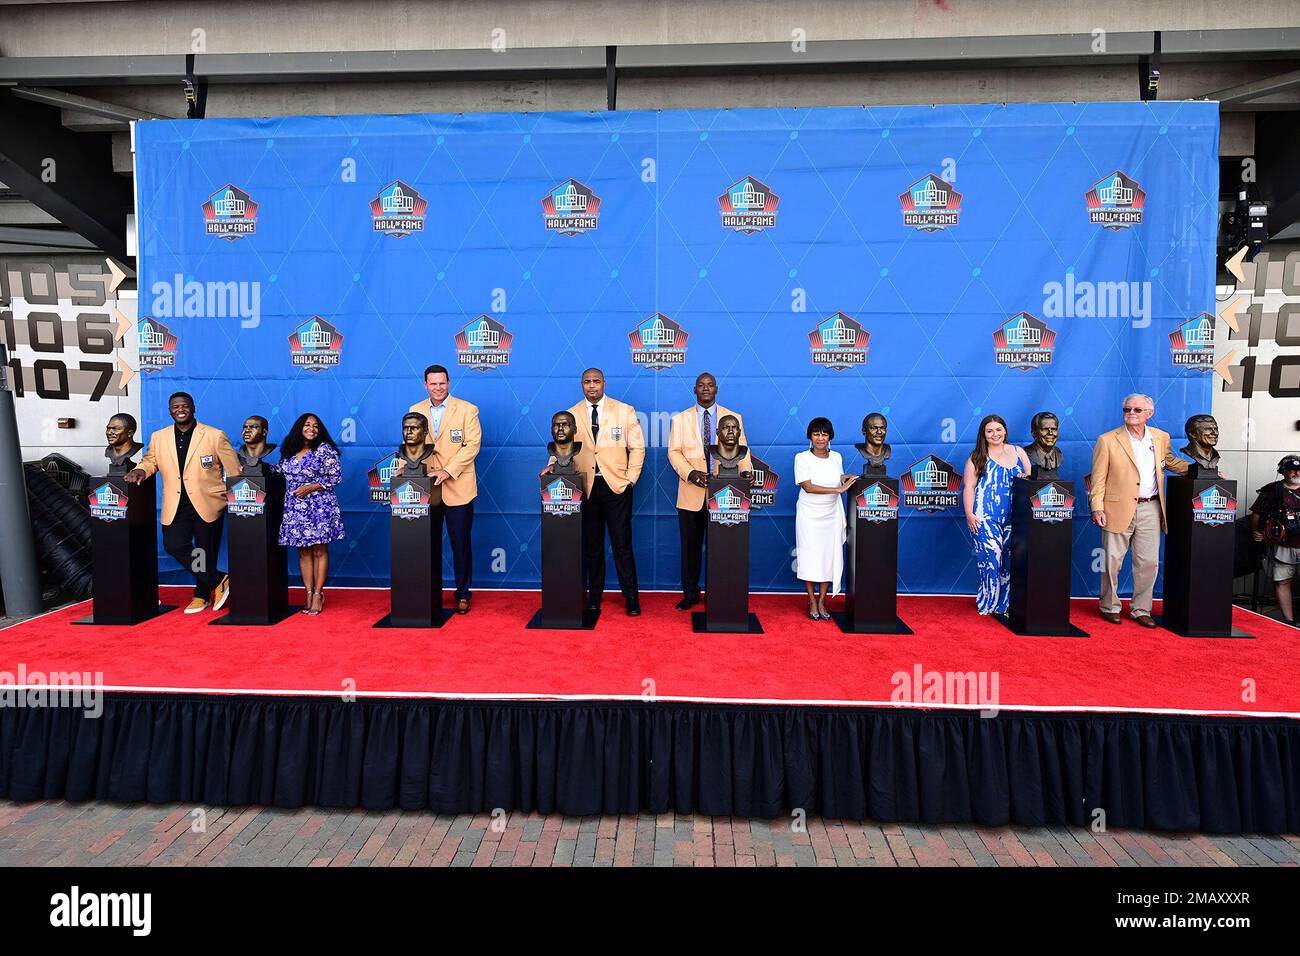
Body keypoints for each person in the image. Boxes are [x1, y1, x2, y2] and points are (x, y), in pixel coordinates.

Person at [124, 392, 240, 613]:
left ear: (193, 408)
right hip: (176, 503)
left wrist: (231, 499)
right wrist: (140, 469)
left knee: (205, 551)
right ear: (169, 410)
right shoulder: (159, 437)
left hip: (208, 502)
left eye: (184, 405)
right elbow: (151, 461)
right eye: (175, 406)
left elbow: (234, 470)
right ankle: (219, 579)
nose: (180, 409)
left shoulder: (214, 435)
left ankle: (201, 595)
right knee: (174, 544)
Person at [1089, 393, 1189, 627]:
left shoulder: (1160, 437)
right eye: (1127, 410)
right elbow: (1098, 478)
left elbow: (1169, 461)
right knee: (1112, 560)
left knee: (1149, 562)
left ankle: (1141, 609)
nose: (1130, 413)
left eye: (1136, 410)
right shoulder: (1107, 440)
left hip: (1151, 507)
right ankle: (1109, 605)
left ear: (1149, 414)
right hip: (1115, 507)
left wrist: (1201, 470)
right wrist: (1097, 507)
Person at [567, 368, 645, 615]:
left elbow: (638, 448)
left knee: (622, 544)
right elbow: (562, 445)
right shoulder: (571, 413)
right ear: (581, 384)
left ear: (604, 383)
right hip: (586, 487)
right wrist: (551, 466)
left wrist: (630, 480)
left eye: (596, 381)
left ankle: (631, 596)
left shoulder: (624, 410)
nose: (592, 386)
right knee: (592, 546)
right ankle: (594, 596)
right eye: (587, 382)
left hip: (616, 487)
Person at [666, 372, 746, 610]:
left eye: (710, 385)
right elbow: (673, 452)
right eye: (701, 385)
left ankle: (719, 593)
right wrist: (691, 473)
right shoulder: (680, 419)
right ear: (694, 389)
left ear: (717, 389)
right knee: (690, 549)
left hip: (725, 494)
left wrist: (745, 473)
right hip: (692, 493)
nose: (706, 388)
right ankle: (690, 594)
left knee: (722, 549)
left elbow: (744, 450)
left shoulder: (734, 417)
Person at [409, 364, 481, 614]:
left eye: (442, 383)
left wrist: (447, 470)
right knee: (426, 543)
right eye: (433, 383)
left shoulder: (467, 409)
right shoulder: (415, 410)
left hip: (458, 484)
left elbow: (471, 446)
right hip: (424, 486)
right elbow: (411, 446)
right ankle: (429, 592)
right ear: (425, 384)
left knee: (460, 543)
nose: (438, 388)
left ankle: (463, 593)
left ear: (449, 383)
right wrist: (402, 469)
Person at [962, 414, 1031, 616]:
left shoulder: (1019, 452)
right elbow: (969, 488)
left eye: (998, 429)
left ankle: (1005, 604)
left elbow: (1031, 481)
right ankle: (988, 602)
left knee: (1011, 561)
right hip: (985, 516)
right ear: (983, 434)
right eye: (990, 431)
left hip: (1016, 518)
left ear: (1005, 431)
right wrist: (969, 515)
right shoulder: (977, 457)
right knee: (991, 559)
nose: (995, 434)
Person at [277, 413, 344, 616]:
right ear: (299, 427)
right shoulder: (290, 450)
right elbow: (279, 470)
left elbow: (336, 477)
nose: (312, 428)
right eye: (307, 424)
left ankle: (318, 594)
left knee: (318, 550)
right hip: (294, 509)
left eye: (316, 425)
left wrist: (311, 487)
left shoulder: (325, 450)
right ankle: (307, 593)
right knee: (303, 551)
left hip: (319, 507)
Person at [794, 417, 854, 621]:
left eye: (824, 434)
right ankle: (811, 600)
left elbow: (837, 477)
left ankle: (822, 601)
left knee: (829, 556)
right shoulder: (801, 457)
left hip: (832, 514)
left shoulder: (836, 456)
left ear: (830, 437)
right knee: (811, 557)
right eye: (816, 433)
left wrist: (846, 479)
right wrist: (838, 489)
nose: (820, 438)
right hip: (809, 514)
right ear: (810, 436)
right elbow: (807, 486)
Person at [1249, 454, 1300, 627]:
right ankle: (1289, 622)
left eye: (1298, 469)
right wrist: (1257, 532)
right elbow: (1256, 514)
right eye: (1291, 469)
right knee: (1283, 580)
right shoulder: (1271, 490)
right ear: (1283, 471)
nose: (1295, 472)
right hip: (1282, 544)